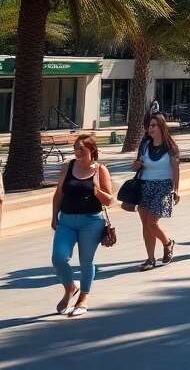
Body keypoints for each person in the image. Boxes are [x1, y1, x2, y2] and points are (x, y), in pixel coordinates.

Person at [48, 134, 114, 317]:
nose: (77, 152)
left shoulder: (100, 170)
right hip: (67, 221)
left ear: (91, 150)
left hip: (91, 221)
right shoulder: (68, 166)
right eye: (75, 148)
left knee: (86, 261)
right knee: (58, 258)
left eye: (81, 149)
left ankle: (83, 298)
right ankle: (70, 287)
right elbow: (58, 194)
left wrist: (95, 188)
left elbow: (109, 200)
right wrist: (54, 216)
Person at [132, 114, 181, 271]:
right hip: (145, 185)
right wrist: (136, 164)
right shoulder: (145, 145)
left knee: (151, 222)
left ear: (161, 127)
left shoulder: (171, 148)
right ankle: (150, 259)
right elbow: (136, 166)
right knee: (145, 225)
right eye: (149, 126)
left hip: (163, 187)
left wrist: (176, 189)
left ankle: (167, 243)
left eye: (153, 125)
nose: (150, 128)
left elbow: (176, 169)